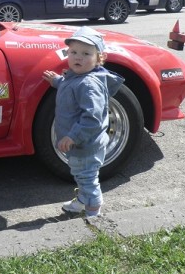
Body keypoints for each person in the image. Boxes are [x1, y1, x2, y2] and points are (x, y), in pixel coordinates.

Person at [42, 26, 124, 219]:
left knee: (87, 178)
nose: (78, 57)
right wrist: (57, 81)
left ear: (99, 58)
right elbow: (70, 86)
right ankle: (82, 200)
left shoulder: (89, 85)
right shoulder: (77, 77)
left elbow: (92, 119)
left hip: (86, 145)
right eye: (73, 52)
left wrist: (72, 136)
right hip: (81, 144)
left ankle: (93, 211)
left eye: (86, 53)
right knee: (81, 175)